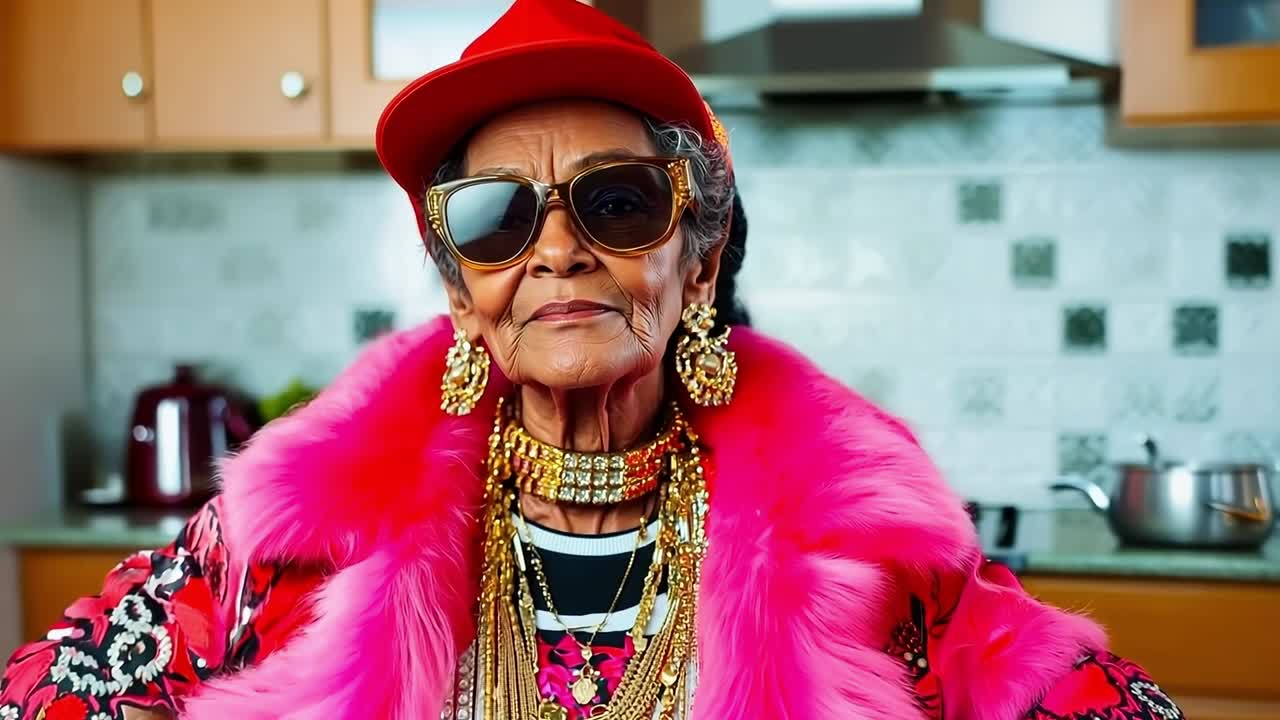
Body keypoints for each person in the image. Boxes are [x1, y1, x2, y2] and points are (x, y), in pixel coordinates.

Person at [1, 1, 1185, 718]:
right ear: (461, 294)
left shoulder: (867, 544)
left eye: (616, 203)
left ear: (700, 261)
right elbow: (48, 688)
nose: (557, 248)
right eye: (494, 218)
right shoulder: (293, 533)